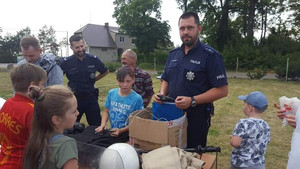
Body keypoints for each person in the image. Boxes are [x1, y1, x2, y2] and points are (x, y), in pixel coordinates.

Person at [154, 12, 228, 148]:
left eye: (190, 28)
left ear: (199, 29)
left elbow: (222, 90)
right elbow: (166, 79)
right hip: (171, 114)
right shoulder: (173, 54)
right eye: (182, 28)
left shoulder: (211, 56)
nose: (185, 32)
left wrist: (192, 100)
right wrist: (162, 93)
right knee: (169, 150)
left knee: (193, 156)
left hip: (196, 118)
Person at [0, 63, 46, 169]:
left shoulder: (8, 103)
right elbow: (40, 143)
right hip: (22, 164)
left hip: (4, 160)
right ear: (32, 85)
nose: (43, 87)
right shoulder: (31, 110)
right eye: (41, 84)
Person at [23, 85, 79, 169]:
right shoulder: (66, 144)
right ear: (57, 120)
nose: (77, 113)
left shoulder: (36, 139)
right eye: (74, 111)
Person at [60, 34, 109, 125]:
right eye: (77, 47)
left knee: (96, 125)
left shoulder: (93, 59)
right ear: (71, 48)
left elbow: (105, 71)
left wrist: (94, 80)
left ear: (84, 45)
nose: (80, 49)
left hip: (90, 97)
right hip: (74, 99)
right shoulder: (67, 62)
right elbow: (58, 77)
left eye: (82, 46)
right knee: (72, 126)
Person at [95, 65, 144, 139]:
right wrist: (103, 124)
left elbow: (137, 122)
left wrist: (121, 131)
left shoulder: (137, 98)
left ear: (133, 80)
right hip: (113, 132)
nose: (125, 84)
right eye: (121, 81)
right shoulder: (112, 93)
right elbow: (106, 111)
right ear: (117, 80)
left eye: (128, 81)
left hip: (128, 135)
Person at [230, 91, 270, 169]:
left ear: (249, 108)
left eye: (244, 104)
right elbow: (266, 141)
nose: (243, 106)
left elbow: (235, 143)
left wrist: (231, 138)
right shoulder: (266, 125)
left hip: (242, 164)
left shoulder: (243, 123)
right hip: (259, 164)